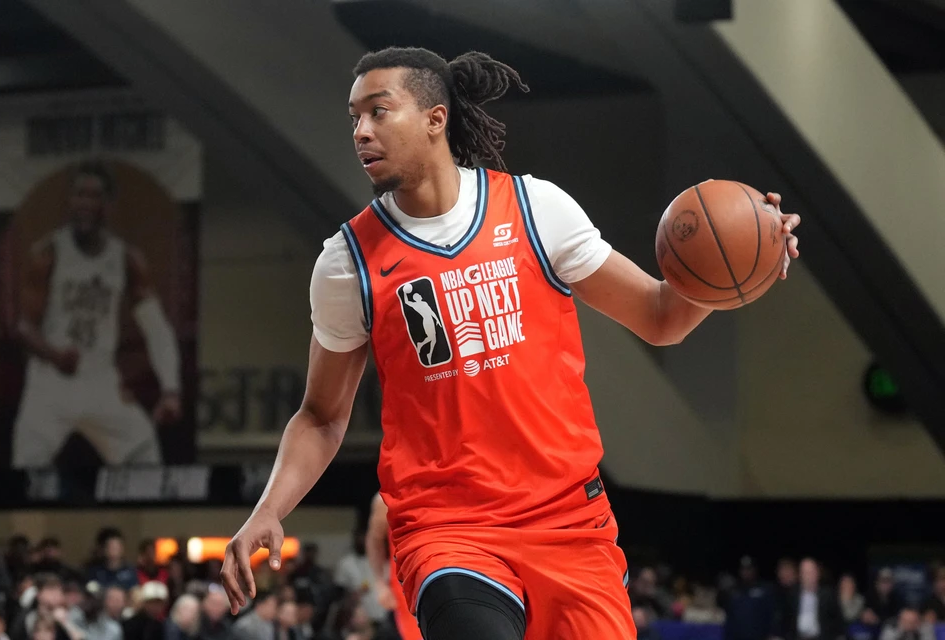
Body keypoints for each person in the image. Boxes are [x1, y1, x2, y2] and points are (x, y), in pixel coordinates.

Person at [220, 46, 802, 640]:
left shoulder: (536, 208)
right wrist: (268, 508)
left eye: (378, 111)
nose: (361, 131)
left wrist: (737, 263)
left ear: (435, 118)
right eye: (354, 118)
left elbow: (661, 317)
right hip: (448, 530)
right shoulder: (347, 263)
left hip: (569, 521)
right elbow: (320, 416)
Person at [12, 159, 181, 468]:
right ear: (69, 201)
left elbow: (156, 327)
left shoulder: (126, 258)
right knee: (25, 468)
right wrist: (54, 356)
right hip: (50, 384)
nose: (86, 203)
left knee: (145, 453)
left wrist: (170, 389)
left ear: (108, 204)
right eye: (80, 195)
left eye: (95, 196)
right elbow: (24, 327)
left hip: (100, 381)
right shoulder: (48, 253)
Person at [366, 493, 421, 640]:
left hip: (454, 577)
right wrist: (379, 583)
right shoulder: (386, 498)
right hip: (406, 592)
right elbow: (374, 539)